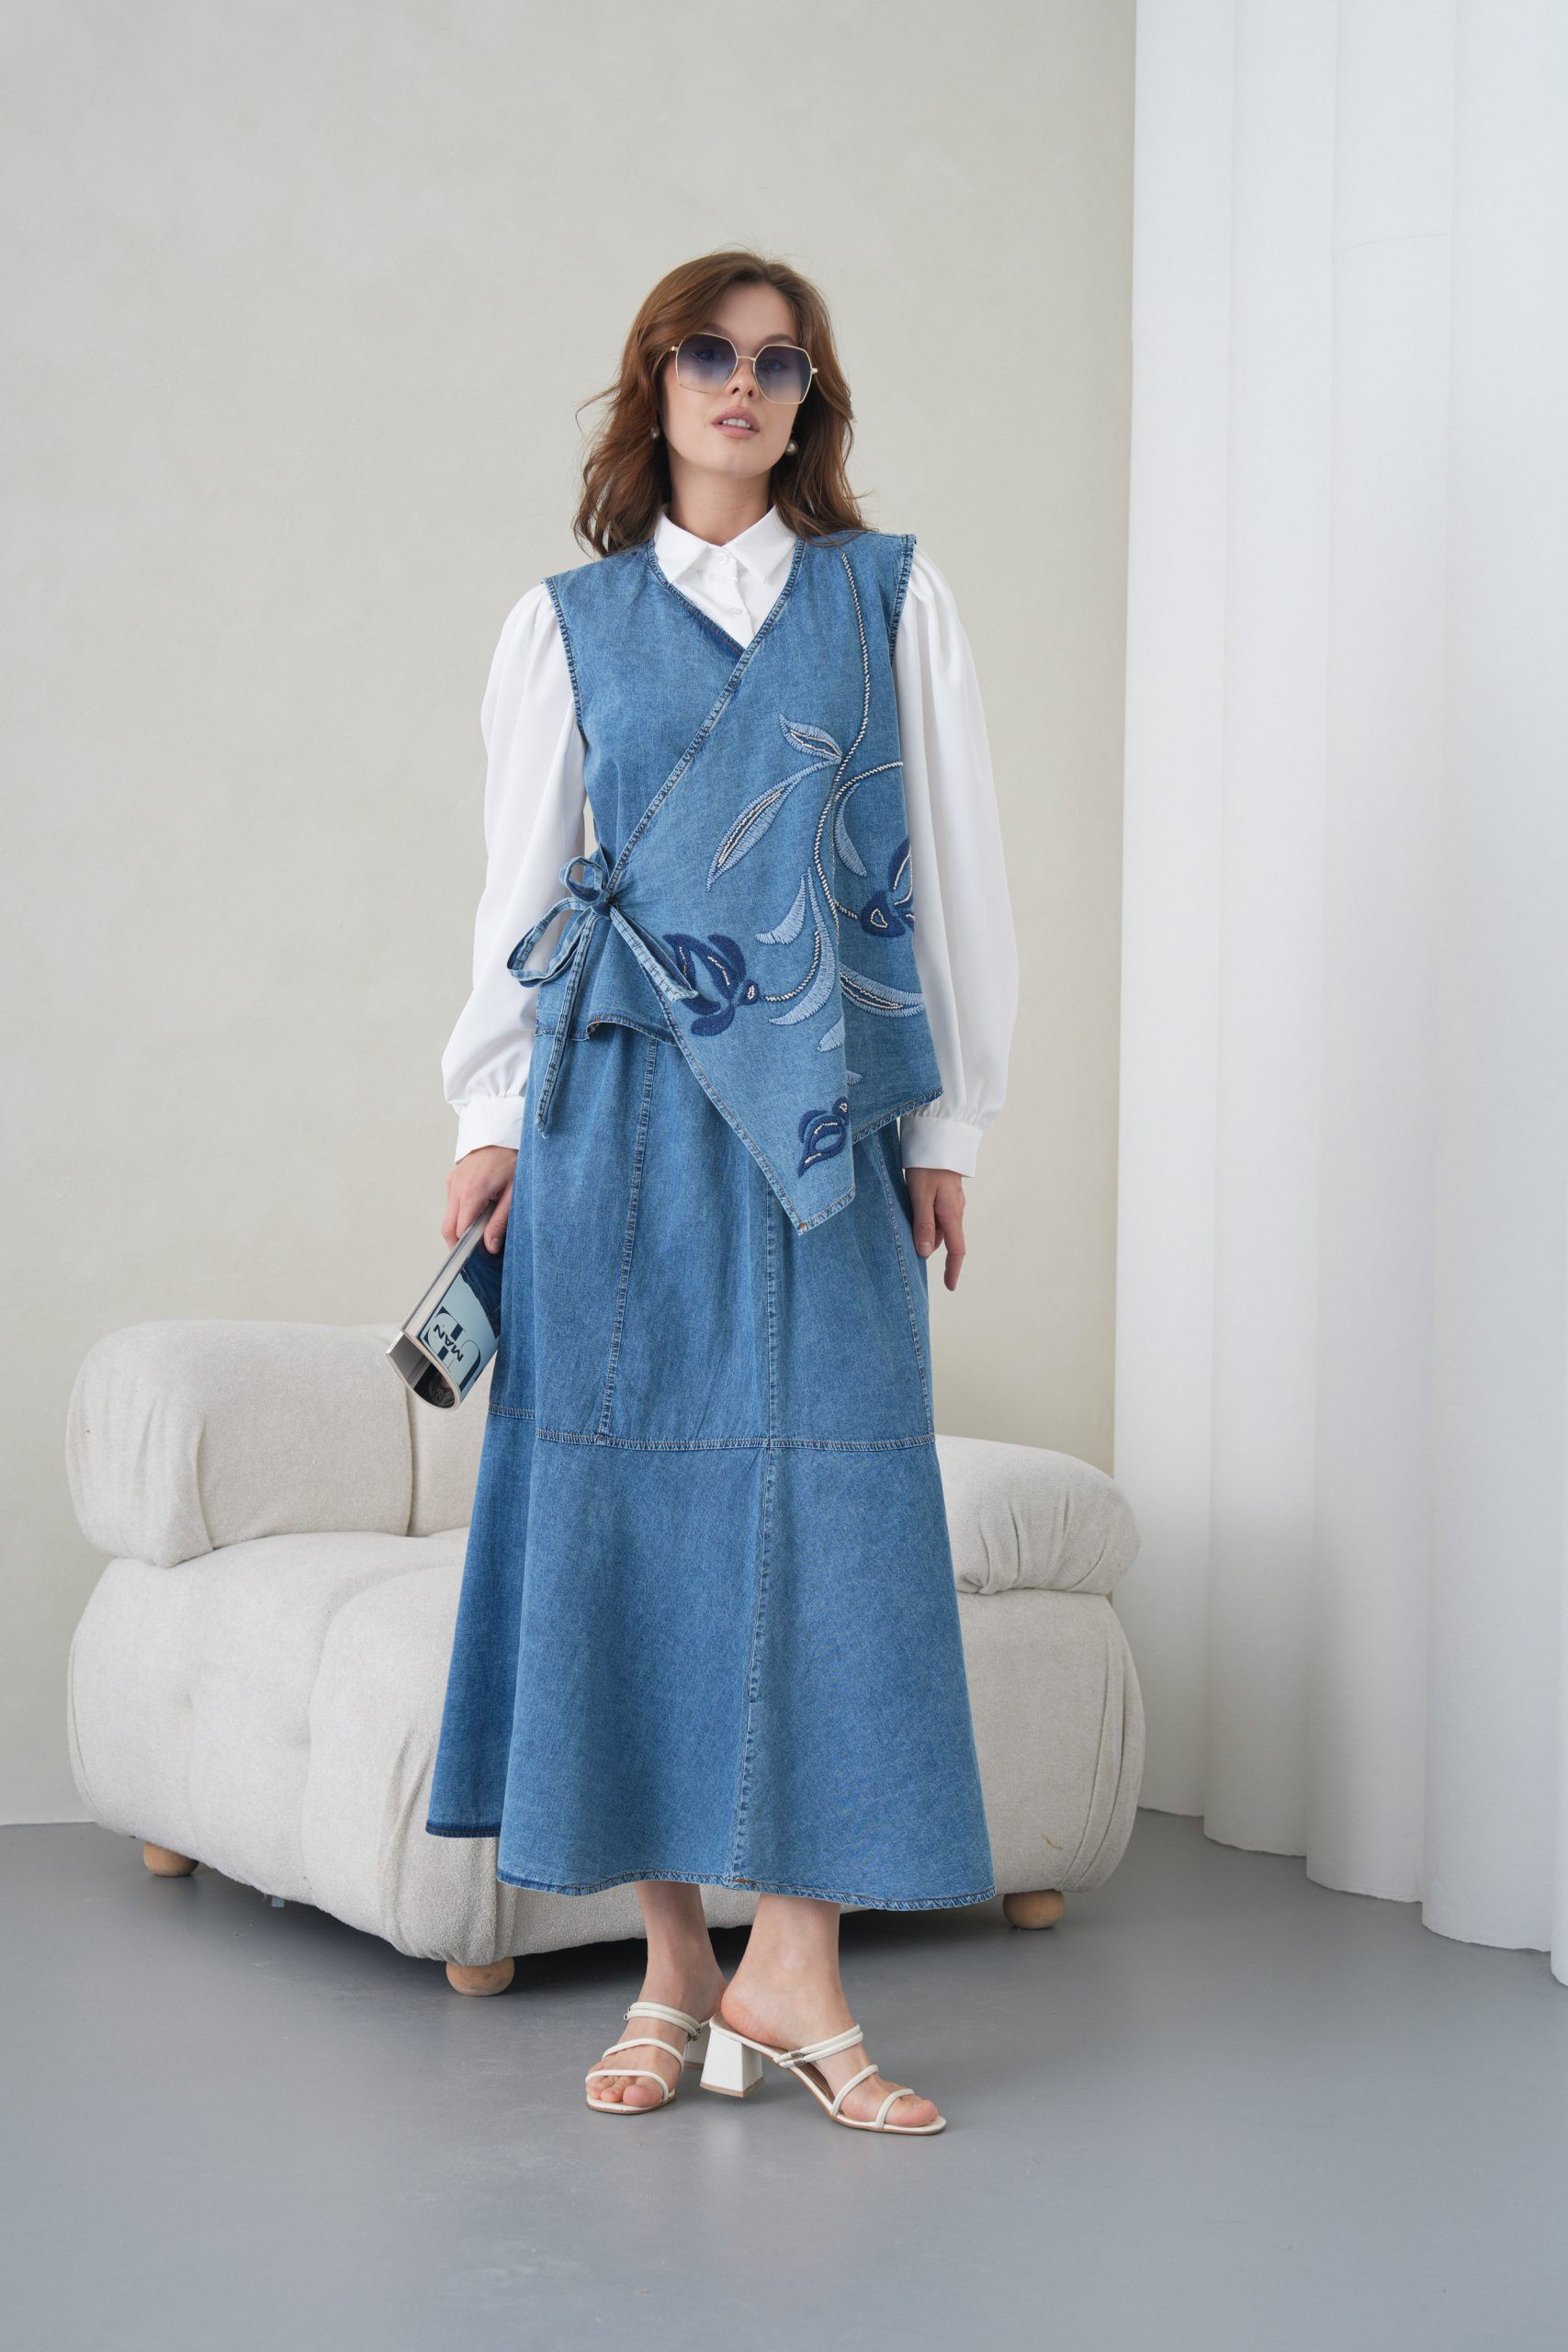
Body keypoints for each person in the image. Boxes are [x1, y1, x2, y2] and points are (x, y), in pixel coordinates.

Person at [425, 250, 1018, 2136]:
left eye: (776, 361)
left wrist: (950, 1127)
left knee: (836, 1504)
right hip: (609, 1114)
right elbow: (523, 888)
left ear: (808, 396)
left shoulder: (889, 595)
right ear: (656, 382)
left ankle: (801, 1967)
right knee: (617, 1502)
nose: (740, 385)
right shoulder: (564, 625)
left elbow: (955, 871)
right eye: (707, 354)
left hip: (829, 1115)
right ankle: (677, 1965)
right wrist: (487, 1113)